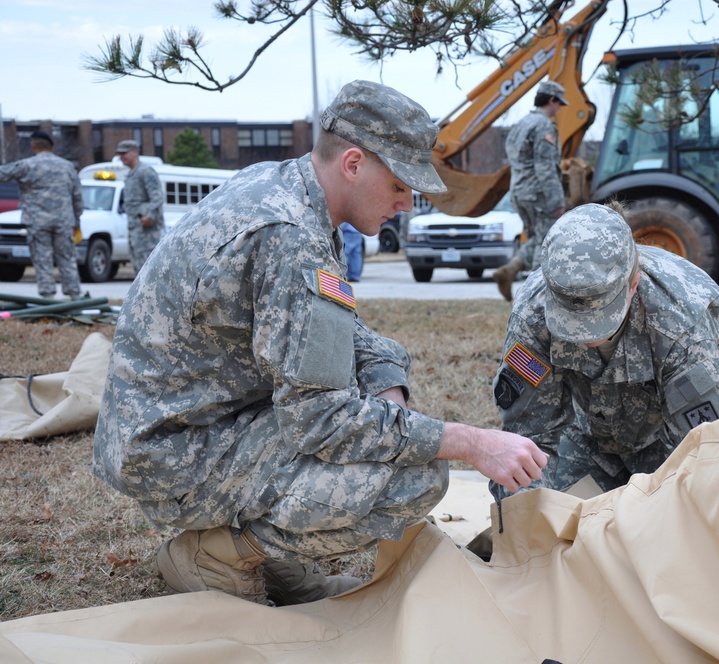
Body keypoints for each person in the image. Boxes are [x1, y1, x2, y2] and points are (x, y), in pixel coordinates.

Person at [92, 80, 547, 607]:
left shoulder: (289, 191)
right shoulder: (290, 235)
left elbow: (343, 335)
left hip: (193, 422)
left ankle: (265, 555)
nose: (405, 203)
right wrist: (472, 441)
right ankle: (216, 552)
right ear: (353, 163)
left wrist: (388, 392)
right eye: (400, 185)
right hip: (172, 449)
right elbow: (321, 420)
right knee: (415, 474)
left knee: (390, 433)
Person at [491, 202, 719, 497]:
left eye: (600, 319)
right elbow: (528, 438)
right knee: (548, 513)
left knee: (695, 509)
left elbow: (707, 452)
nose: (585, 335)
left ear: (633, 285)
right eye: (571, 320)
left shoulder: (678, 321)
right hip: (591, 438)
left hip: (669, 439)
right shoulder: (532, 316)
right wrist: (524, 524)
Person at [492, 80, 568, 301]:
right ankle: (537, 298)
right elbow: (544, 166)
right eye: (559, 104)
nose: (559, 109)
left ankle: (510, 270)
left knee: (536, 238)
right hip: (539, 194)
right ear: (552, 100)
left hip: (519, 192)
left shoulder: (521, 124)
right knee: (546, 244)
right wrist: (557, 202)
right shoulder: (544, 126)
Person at [0, 130, 83, 299]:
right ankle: (74, 296)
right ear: (52, 147)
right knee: (67, 259)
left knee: (42, 260)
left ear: (33, 146)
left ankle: (48, 298)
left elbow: (3, 174)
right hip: (63, 221)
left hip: (37, 222)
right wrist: (76, 220)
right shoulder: (67, 166)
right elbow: (77, 197)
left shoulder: (26, 165)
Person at [115, 139, 164, 274]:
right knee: (138, 266)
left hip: (147, 230)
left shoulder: (145, 171)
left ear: (135, 152)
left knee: (149, 267)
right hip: (135, 228)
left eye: (125, 153)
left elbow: (157, 196)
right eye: (120, 153)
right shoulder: (131, 174)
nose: (121, 156)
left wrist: (150, 215)